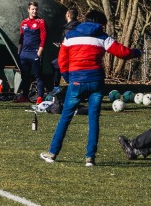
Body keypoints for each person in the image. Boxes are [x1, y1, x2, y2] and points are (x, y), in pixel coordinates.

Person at [40, 10, 142, 166]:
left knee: (65, 118)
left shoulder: (70, 36)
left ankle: (53, 153)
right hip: (96, 81)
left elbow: (62, 61)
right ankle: (90, 158)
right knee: (93, 119)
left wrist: (68, 77)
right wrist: (136, 52)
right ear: (99, 23)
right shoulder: (102, 37)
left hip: (76, 82)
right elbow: (122, 52)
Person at [18, 1, 47, 102]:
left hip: (35, 52)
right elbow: (21, 39)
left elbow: (43, 39)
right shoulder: (24, 22)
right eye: (32, 9)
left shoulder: (41, 22)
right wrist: (19, 53)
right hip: (24, 54)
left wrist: (39, 53)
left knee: (38, 76)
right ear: (28, 10)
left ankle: (40, 97)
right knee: (25, 76)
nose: (34, 11)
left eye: (36, 9)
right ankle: (24, 96)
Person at [51, 8, 80, 94]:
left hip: (69, 55)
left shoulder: (68, 29)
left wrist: (62, 46)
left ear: (68, 15)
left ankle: (57, 87)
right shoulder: (79, 27)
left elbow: (69, 43)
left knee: (56, 64)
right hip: (77, 54)